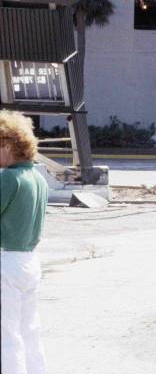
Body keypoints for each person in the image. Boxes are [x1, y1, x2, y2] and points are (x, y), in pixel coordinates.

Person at [1, 111, 49, 374]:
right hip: (30, 260)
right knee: (30, 330)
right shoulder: (38, 179)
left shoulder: (8, 178)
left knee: (5, 335)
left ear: (7, 146)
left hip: (5, 262)